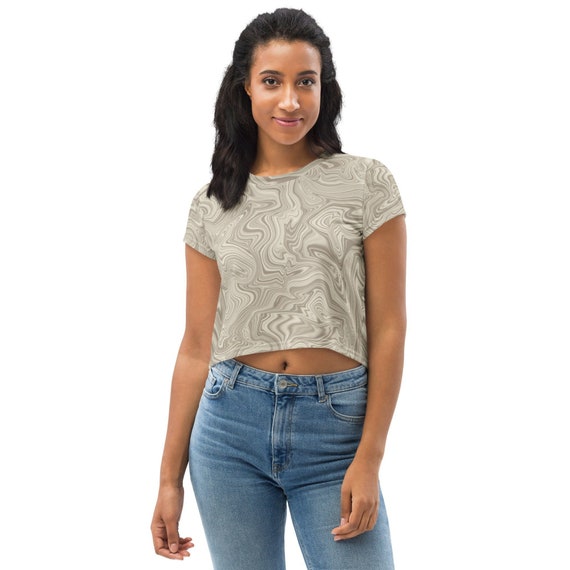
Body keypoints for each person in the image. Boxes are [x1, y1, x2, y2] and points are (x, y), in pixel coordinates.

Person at [150, 7, 406, 570]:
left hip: (336, 433)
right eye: (272, 81)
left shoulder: (366, 183)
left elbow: (389, 327)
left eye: (305, 82)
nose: (290, 101)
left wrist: (370, 457)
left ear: (324, 88)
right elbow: (196, 346)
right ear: (245, 88)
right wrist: (169, 479)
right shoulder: (211, 204)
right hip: (229, 430)